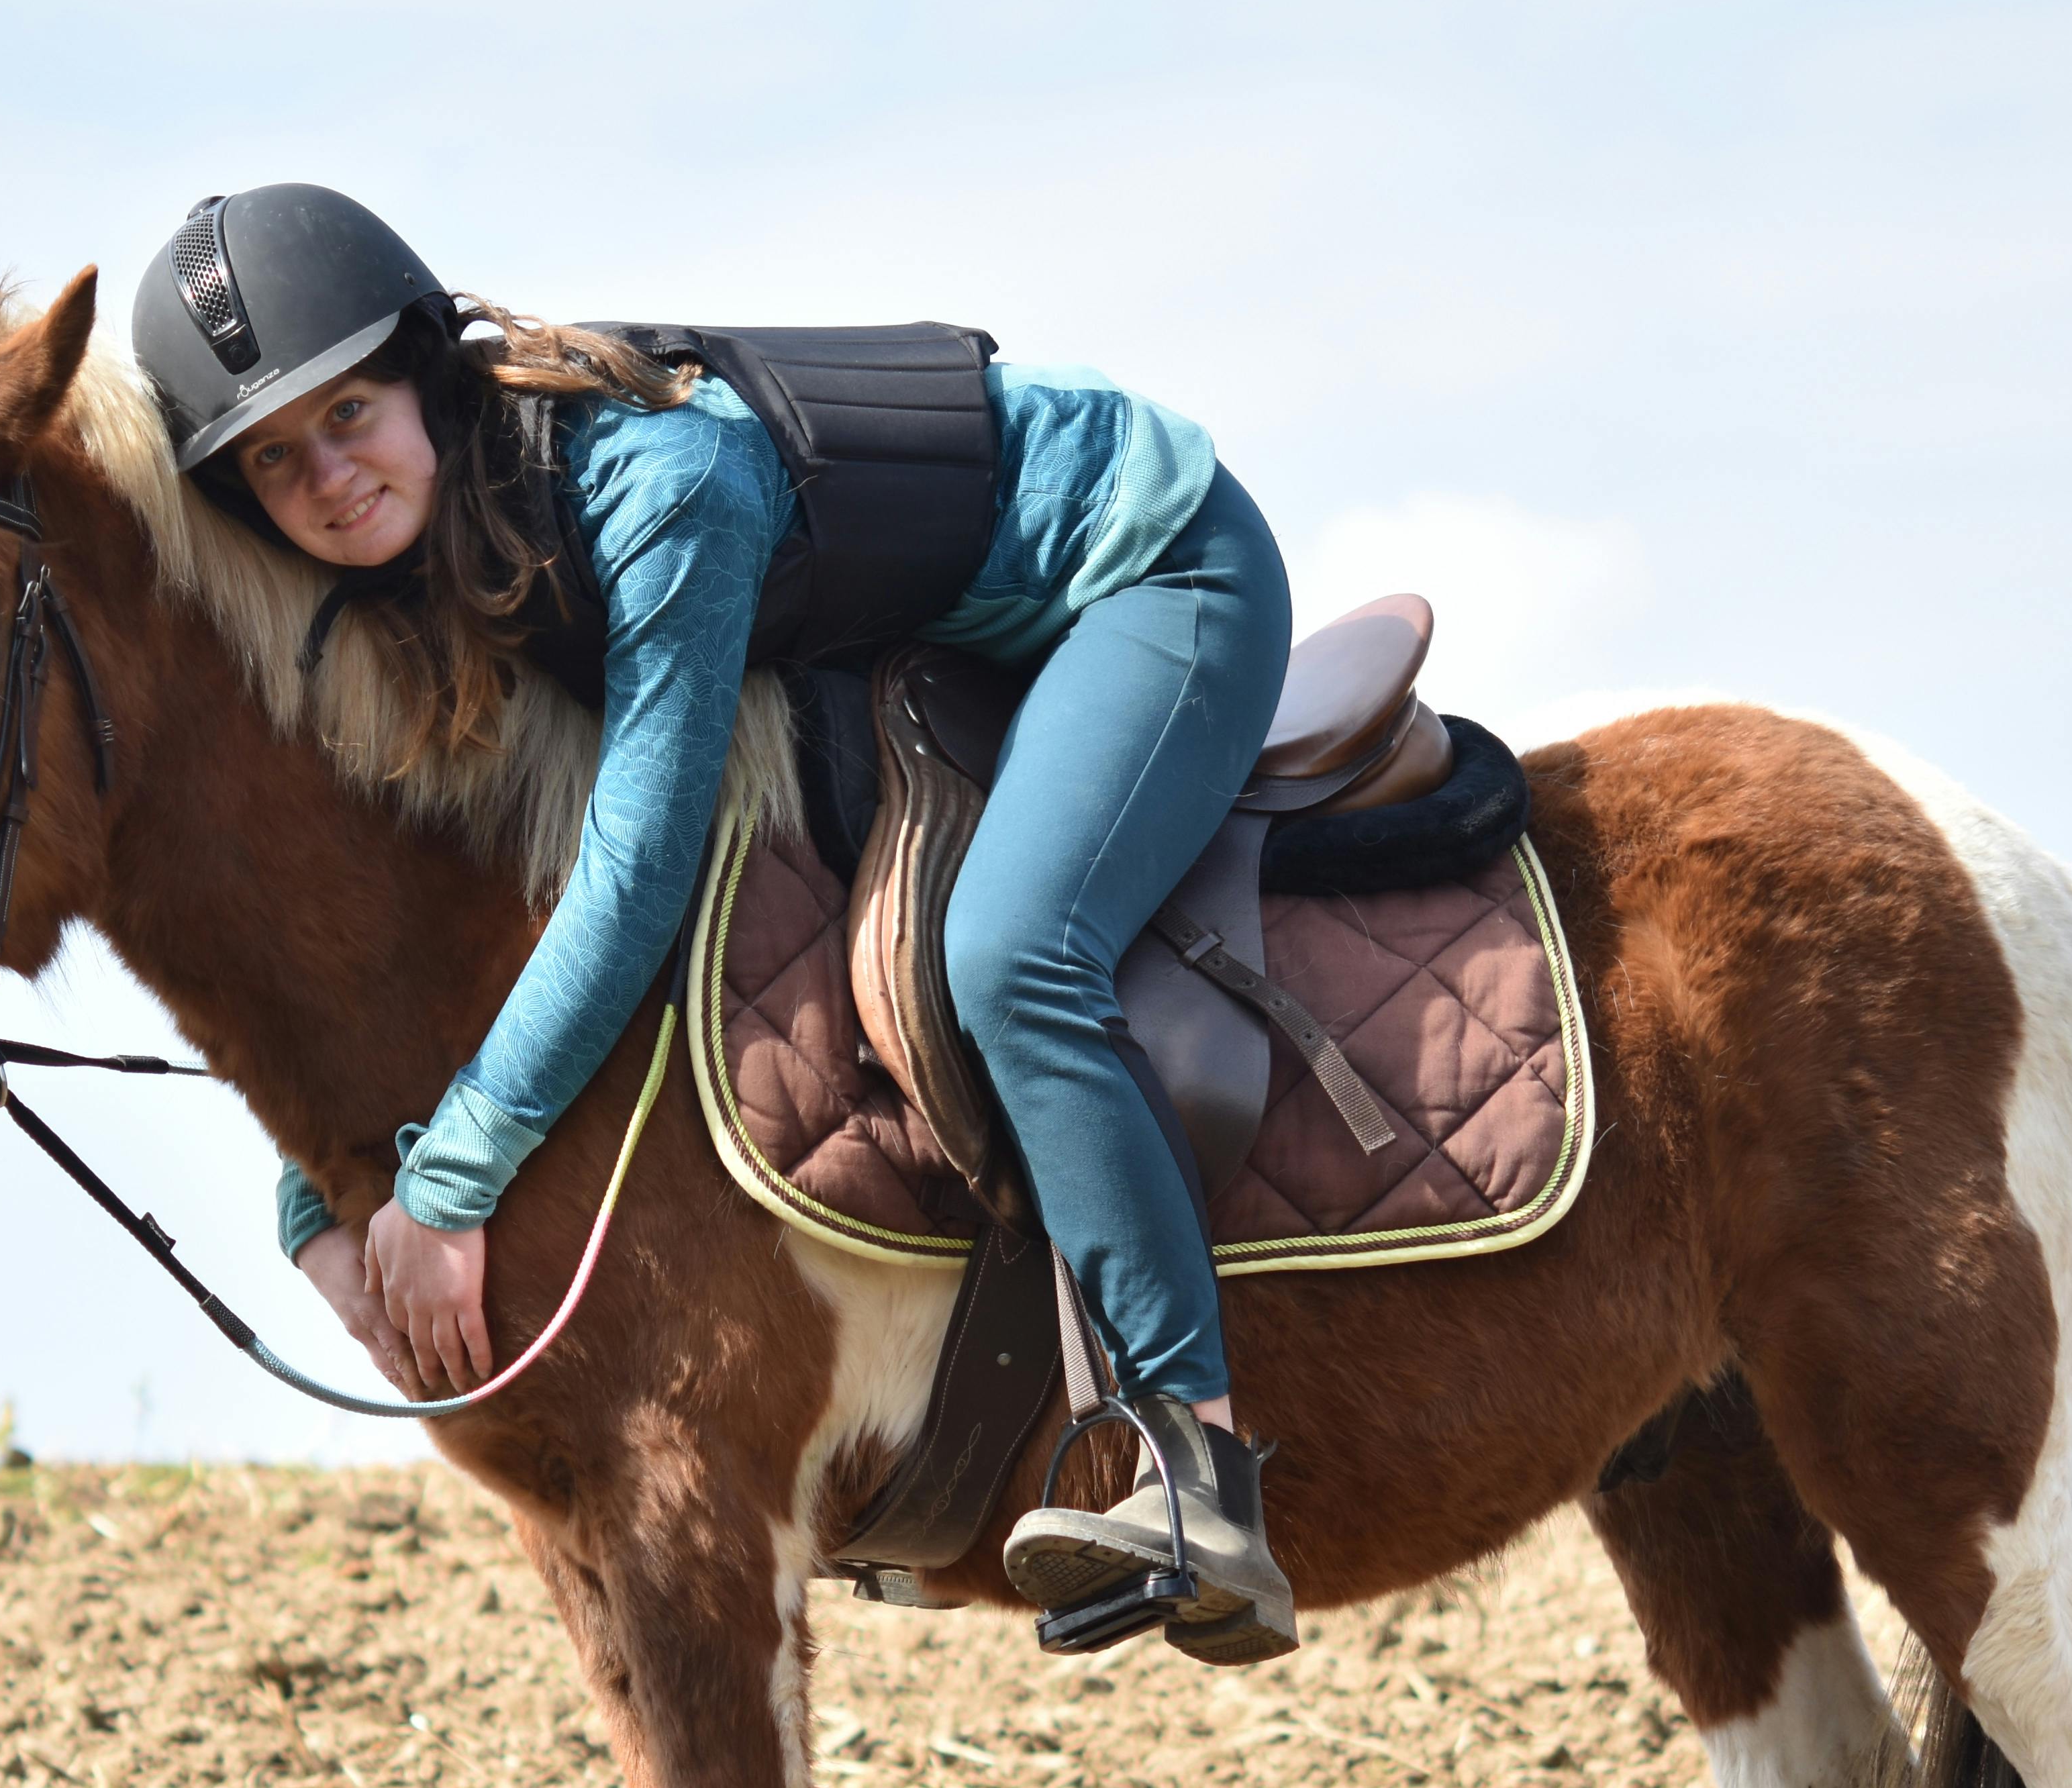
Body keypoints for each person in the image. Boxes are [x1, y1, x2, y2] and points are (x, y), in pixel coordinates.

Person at [130, 186, 1298, 1663]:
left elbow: (635, 874)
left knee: (1011, 955)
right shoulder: (422, 550)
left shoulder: (660, 489)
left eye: (348, 411)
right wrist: (324, 1196)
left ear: (425, 371)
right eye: (273, 459)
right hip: (931, 630)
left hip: (1150, 565)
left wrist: (452, 1188)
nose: (327, 476)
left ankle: (1197, 1466)